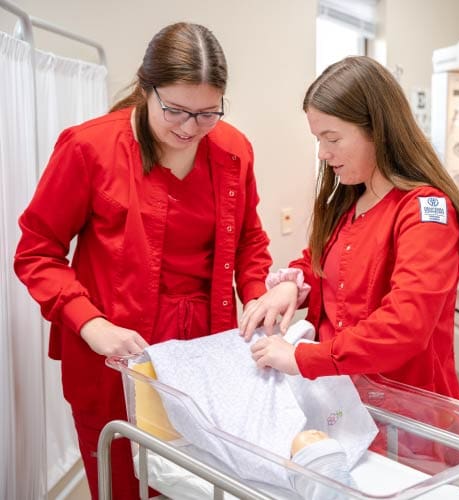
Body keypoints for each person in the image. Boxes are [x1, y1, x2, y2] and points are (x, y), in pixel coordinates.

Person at [14, 22, 272, 500]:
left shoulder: (233, 151)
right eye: (174, 110)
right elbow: (37, 251)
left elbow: (249, 242)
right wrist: (89, 323)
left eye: (207, 113)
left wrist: (257, 296)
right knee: (124, 486)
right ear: (146, 88)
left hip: (203, 354)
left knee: (199, 485)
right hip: (115, 352)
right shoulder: (89, 148)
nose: (189, 128)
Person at [240, 55, 459, 401]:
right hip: (344, 399)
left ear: (377, 131)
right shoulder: (350, 201)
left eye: (332, 139)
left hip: (404, 412)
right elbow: (330, 267)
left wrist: (303, 357)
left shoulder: (425, 212)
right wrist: (295, 284)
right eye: (318, 139)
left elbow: (404, 325)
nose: (322, 153)